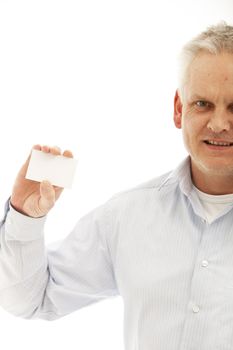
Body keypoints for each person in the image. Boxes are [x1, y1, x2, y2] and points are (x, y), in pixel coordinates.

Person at [0, 21, 233, 350]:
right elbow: (30, 299)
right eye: (203, 104)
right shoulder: (128, 215)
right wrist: (25, 216)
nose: (220, 124)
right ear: (179, 110)